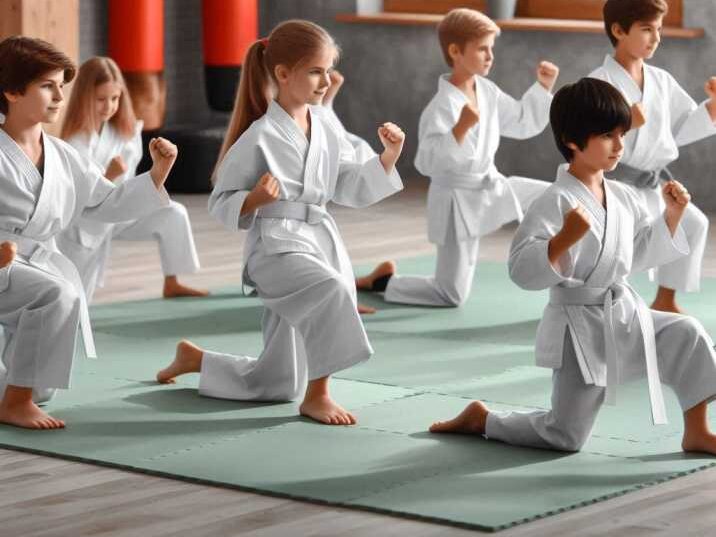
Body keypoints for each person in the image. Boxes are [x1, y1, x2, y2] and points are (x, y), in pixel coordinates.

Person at [430, 78, 716, 455]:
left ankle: (697, 431)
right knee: (564, 437)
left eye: (621, 134)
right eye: (607, 136)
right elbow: (520, 269)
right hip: (579, 329)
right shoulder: (554, 201)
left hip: (625, 314)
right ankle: (483, 419)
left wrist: (673, 216)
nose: (619, 146)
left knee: (688, 332)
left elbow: (634, 253)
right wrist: (564, 239)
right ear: (572, 140)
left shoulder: (623, 195)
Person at [156, 20, 405, 426]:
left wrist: (387, 158)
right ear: (283, 74)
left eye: (328, 71)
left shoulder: (324, 125)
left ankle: (197, 359)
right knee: (329, 289)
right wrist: (253, 199)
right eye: (314, 71)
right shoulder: (260, 135)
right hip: (275, 248)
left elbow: (346, 183)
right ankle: (319, 394)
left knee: (276, 382)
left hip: (318, 238)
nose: (325, 81)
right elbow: (220, 200)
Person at [0, 36, 178, 429]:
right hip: (3, 262)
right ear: (11, 91)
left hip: (35, 261)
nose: (59, 97)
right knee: (55, 294)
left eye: (61, 86)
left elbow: (105, 203)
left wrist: (156, 175)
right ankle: (14, 402)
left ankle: (17, 392)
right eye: (47, 86)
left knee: (44, 386)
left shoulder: (63, 154)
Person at [357, 8, 558, 307]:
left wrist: (542, 88)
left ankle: (563, 256)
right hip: (456, 203)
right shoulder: (441, 106)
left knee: (553, 196)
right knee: (451, 294)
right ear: (455, 51)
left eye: (491, 48)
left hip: (489, 186)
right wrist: (460, 131)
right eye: (482, 49)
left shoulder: (486, 91)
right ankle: (384, 282)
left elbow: (519, 120)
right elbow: (425, 163)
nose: (490, 56)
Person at [589, 0, 716, 313]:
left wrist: (711, 108)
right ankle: (603, 301)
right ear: (619, 30)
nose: (656, 37)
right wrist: (626, 123)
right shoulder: (598, 83)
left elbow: (682, 126)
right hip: (616, 186)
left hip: (655, 185)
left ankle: (665, 299)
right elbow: (588, 136)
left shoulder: (661, 80)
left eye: (658, 29)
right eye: (647, 29)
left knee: (693, 223)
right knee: (620, 246)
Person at [57, 56, 206, 302]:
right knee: (74, 295)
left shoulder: (126, 132)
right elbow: (81, 197)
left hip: (123, 211)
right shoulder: (73, 142)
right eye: (101, 99)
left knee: (173, 213)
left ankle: (172, 282)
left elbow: (132, 183)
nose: (109, 106)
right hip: (87, 223)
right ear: (85, 98)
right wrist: (109, 175)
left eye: (114, 99)